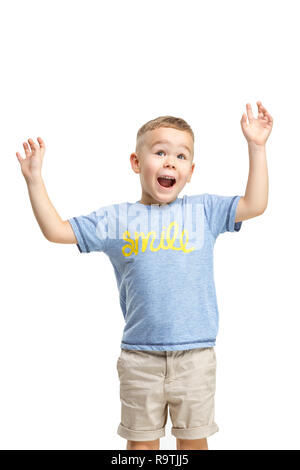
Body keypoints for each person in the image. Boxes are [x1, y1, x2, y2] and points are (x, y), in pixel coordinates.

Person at [16, 101, 273, 450]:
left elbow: (255, 204)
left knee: (194, 442)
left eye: (181, 156)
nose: (171, 161)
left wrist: (256, 147)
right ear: (137, 163)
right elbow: (57, 231)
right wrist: (34, 180)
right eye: (160, 152)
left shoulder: (204, 211)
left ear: (191, 170)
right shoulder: (117, 219)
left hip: (195, 356)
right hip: (140, 359)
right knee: (140, 446)